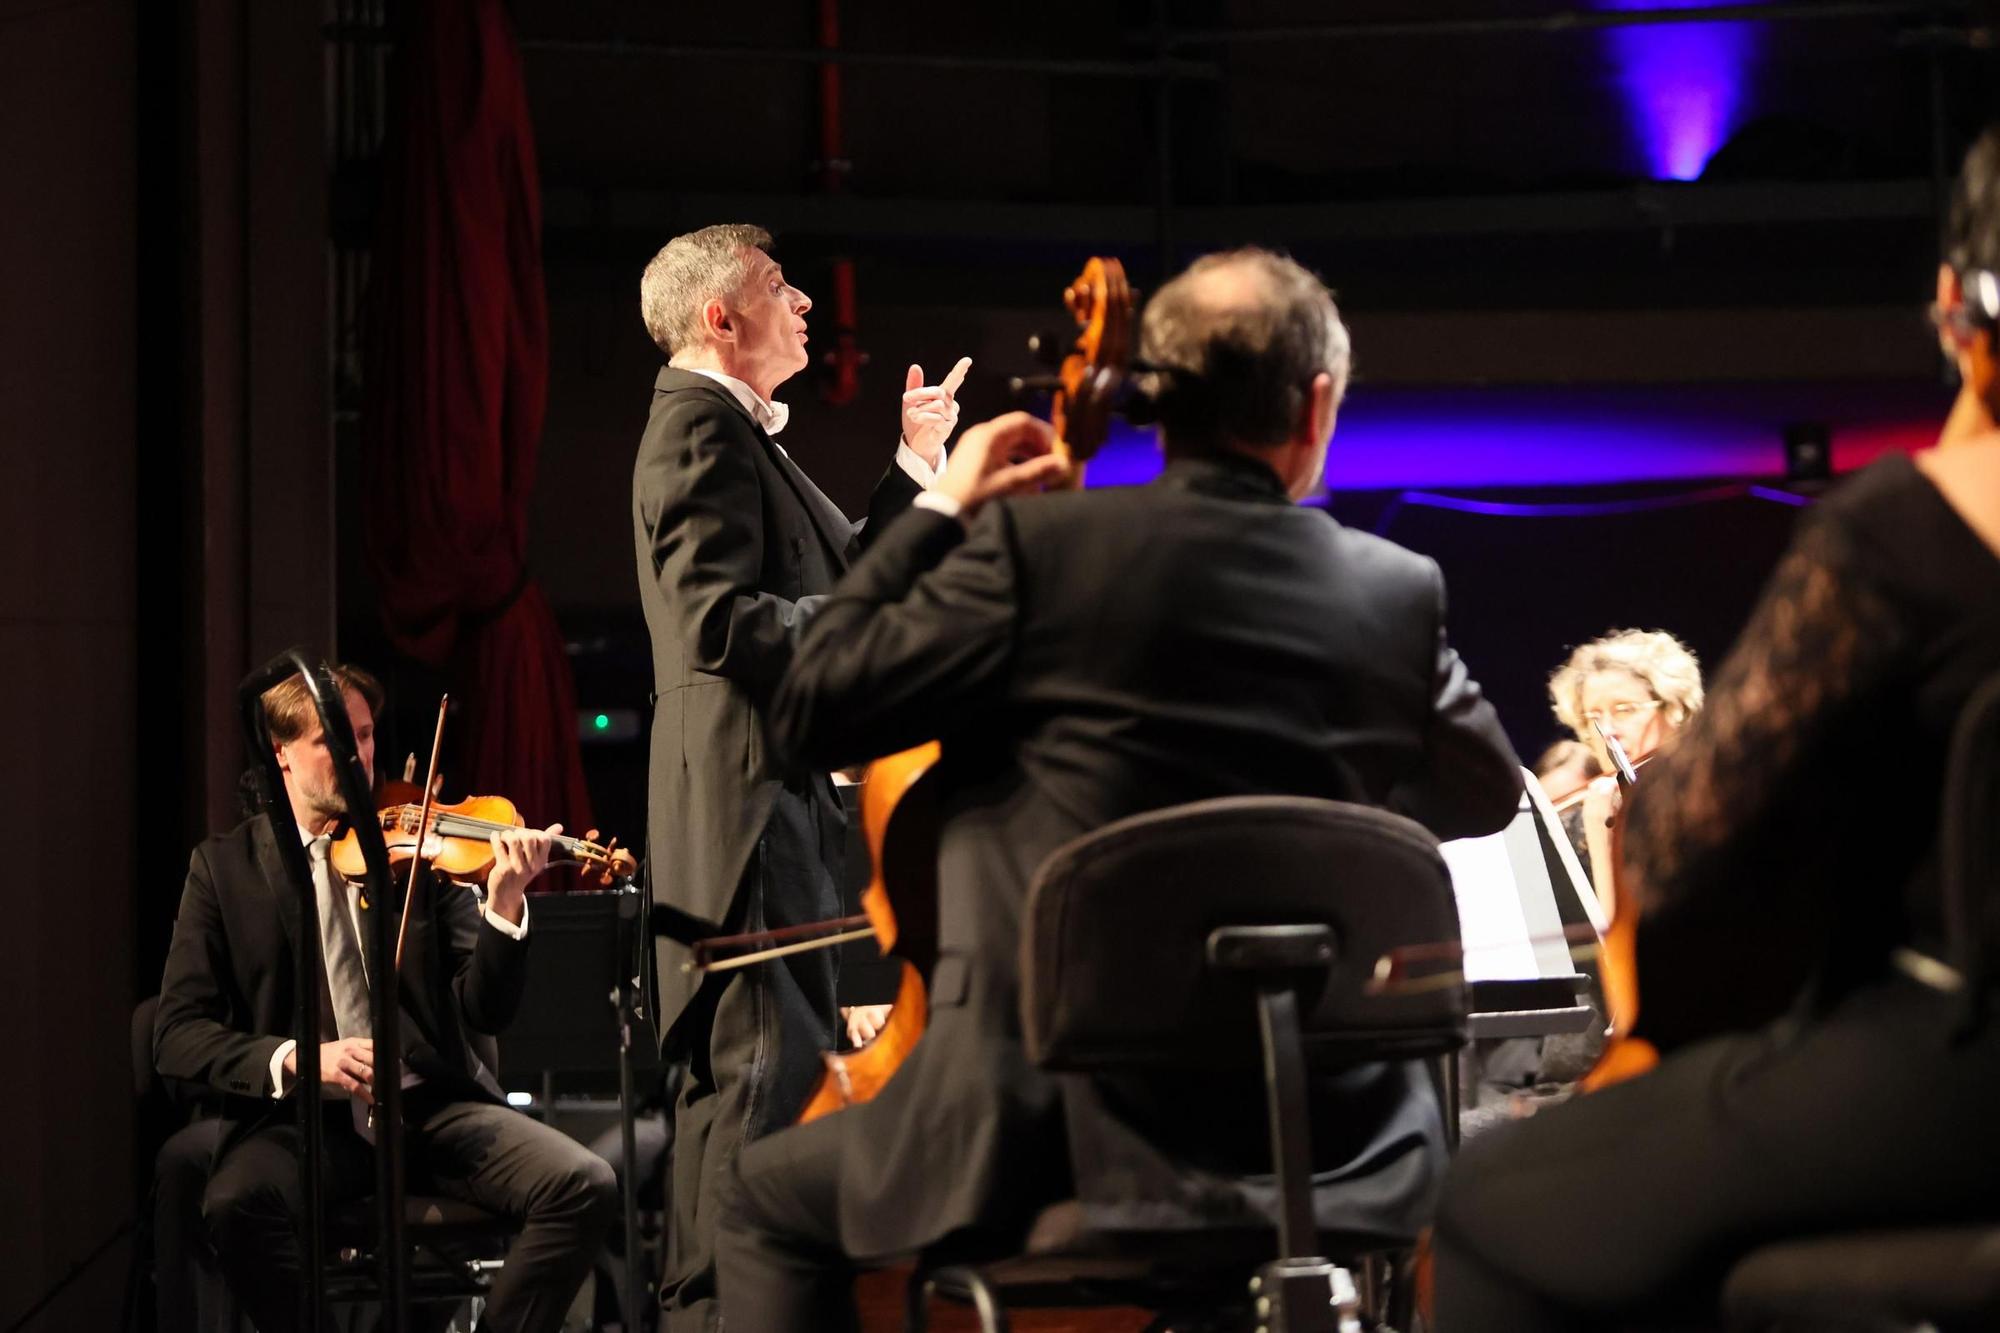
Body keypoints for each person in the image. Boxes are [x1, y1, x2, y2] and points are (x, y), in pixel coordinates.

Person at [715, 246, 1524, 1330]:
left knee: (756, 1197)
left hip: (1048, 1132)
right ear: (1316, 406)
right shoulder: (1389, 590)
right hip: (1331, 1134)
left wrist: (946, 502)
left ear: (1155, 401)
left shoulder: (1035, 550)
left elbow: (810, 705)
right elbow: (1482, 792)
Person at [1432, 127, 2000, 1330]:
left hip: (1954, 1067)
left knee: (1492, 1195)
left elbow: (1690, 857)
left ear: (1955, 306)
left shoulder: (1902, 528)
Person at [631, 223, 963, 1328]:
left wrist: (916, 464)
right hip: (745, 827)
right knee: (756, 1111)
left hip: (781, 823)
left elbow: (845, 574)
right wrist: (877, 613)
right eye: (780, 287)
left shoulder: (743, 440)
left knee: (778, 1103)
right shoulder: (695, 428)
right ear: (719, 318)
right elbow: (720, 625)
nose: (808, 304)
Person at [153, 665, 617, 1333]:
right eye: (333, 739)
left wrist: (506, 902)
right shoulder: (225, 869)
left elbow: (484, 1009)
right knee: (232, 1203)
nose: (358, 756)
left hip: (428, 1110)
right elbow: (175, 1031)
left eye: (366, 736)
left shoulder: (416, 846)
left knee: (585, 1183)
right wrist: (299, 1057)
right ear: (280, 750)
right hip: (307, 1125)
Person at [1545, 628, 1703, 901]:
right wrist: (1602, 840)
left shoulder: (1707, 792)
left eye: (1624, 709)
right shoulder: (1568, 837)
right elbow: (1610, 941)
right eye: (1593, 716)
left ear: (1673, 710)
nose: (1607, 730)